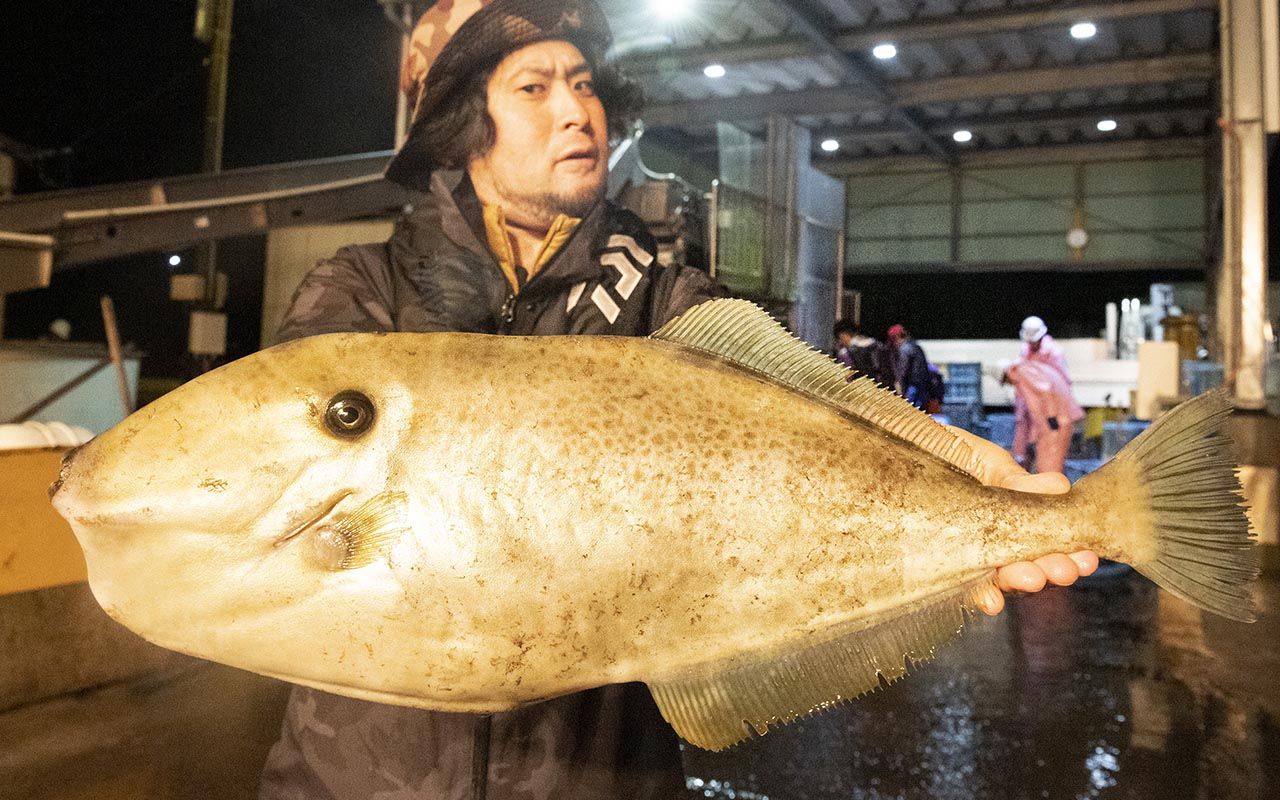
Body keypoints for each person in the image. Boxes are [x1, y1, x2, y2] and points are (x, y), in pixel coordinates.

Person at [258, 3, 1096, 797]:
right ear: (464, 129)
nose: (576, 110)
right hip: (356, 778)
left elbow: (803, 432)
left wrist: (965, 480)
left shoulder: (666, 305)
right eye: (534, 87)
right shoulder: (361, 295)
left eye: (584, 83)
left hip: (604, 778)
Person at [1003, 359, 1085, 475]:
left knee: (1048, 469)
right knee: (1050, 467)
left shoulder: (1024, 371)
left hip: (1055, 424)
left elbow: (1045, 391)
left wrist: (1052, 418)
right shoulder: (1032, 369)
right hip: (1055, 423)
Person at [887, 323, 932, 409]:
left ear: (897, 337)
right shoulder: (916, 346)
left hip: (912, 385)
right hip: (922, 385)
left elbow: (903, 369)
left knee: (909, 410)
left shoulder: (904, 349)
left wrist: (898, 384)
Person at [832, 319, 889, 386]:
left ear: (843, 335)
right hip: (879, 385)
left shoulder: (847, 353)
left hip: (861, 388)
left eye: (839, 338)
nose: (840, 342)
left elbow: (847, 375)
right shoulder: (876, 344)